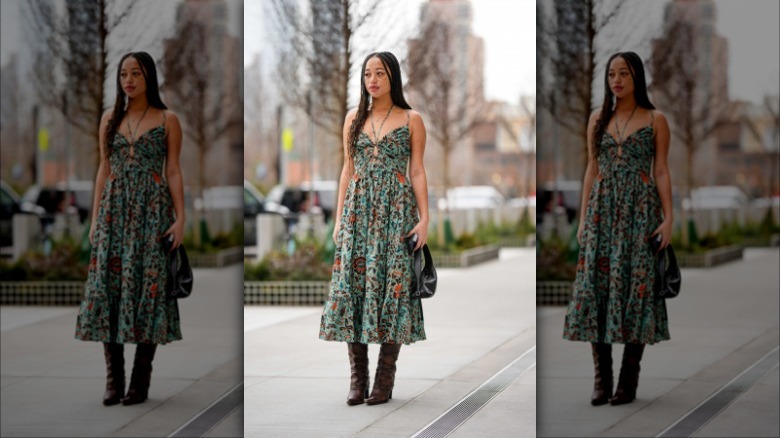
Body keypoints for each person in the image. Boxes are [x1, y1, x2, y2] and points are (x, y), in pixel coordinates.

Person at [75, 51, 186, 406]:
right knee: (110, 291)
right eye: (123, 74)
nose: (129, 80)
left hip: (153, 216)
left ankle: (140, 381)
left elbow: (173, 171)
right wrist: (95, 219)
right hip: (114, 216)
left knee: (148, 292)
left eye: (136, 73)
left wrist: (180, 219)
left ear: (148, 78)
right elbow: (104, 170)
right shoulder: (109, 119)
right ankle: (114, 380)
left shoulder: (168, 119)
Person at [562, 51, 673, 406]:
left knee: (636, 291)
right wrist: (582, 220)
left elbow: (662, 172)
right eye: (611, 74)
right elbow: (592, 170)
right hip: (602, 216)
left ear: (637, 77)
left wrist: (669, 219)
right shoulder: (597, 119)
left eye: (624, 73)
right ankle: (602, 380)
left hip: (641, 214)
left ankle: (628, 381)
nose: (617, 80)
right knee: (598, 291)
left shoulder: (656, 119)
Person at [319, 51, 429, 406]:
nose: (373, 79)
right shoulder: (353, 118)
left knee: (392, 290)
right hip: (357, 216)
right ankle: (357, 379)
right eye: (367, 74)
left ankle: (384, 380)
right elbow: (347, 170)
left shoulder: (412, 119)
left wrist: (424, 219)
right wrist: (338, 219)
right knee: (354, 291)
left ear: (393, 77)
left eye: (379, 73)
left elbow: (418, 171)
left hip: (397, 216)